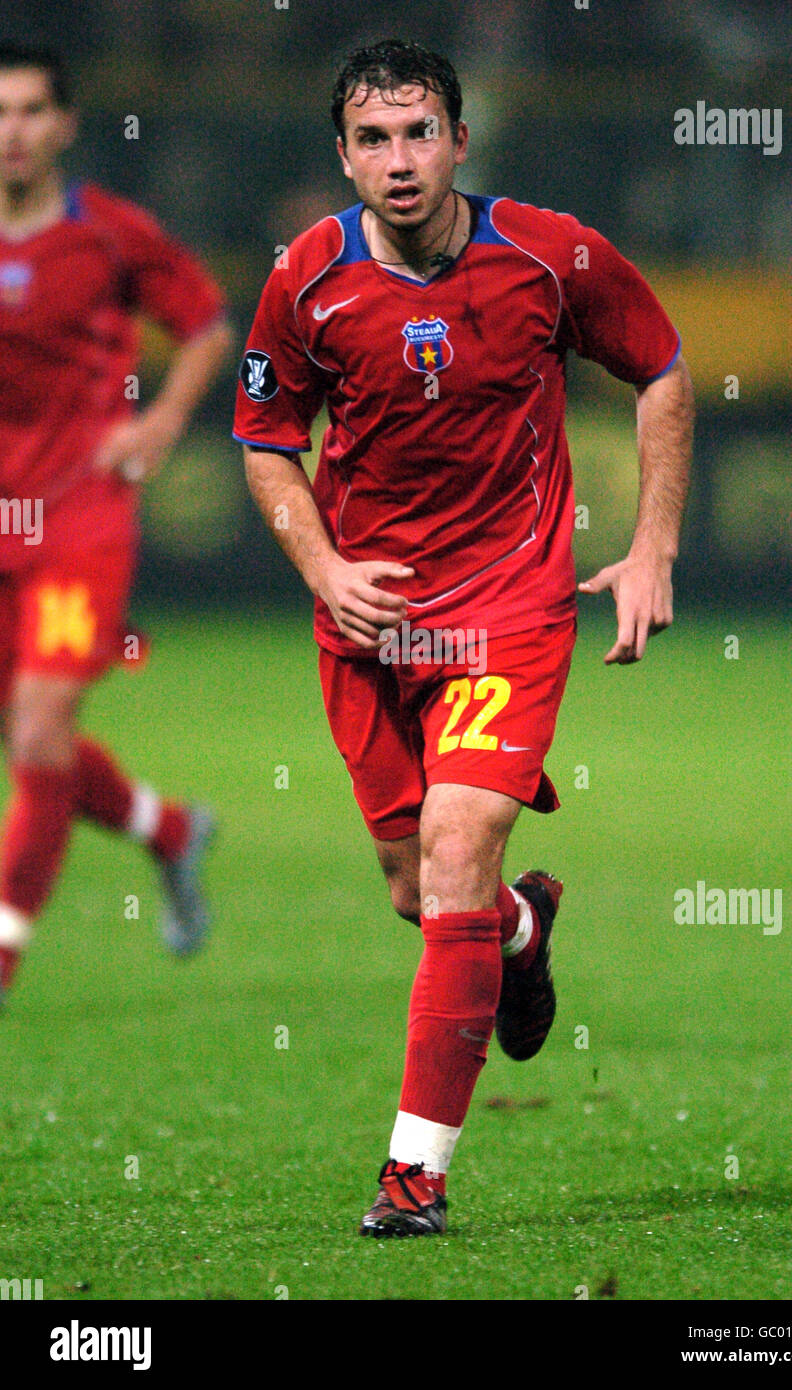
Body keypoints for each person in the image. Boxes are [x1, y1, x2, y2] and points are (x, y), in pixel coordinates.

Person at [235, 38, 693, 1237]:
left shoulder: (550, 255)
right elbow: (266, 437)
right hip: (368, 623)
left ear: (458, 140)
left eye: (418, 132)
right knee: (417, 892)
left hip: (506, 609)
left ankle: (413, 1176)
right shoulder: (304, 280)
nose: (398, 160)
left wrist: (650, 549)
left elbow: (659, 367)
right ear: (342, 155)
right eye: (373, 140)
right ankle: (522, 930)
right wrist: (324, 567)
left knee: (451, 851)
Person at [0, 44, 232, 1006]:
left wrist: (164, 419)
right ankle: (170, 832)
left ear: (65, 126)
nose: (11, 132)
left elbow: (209, 325)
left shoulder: (108, 234)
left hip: (80, 526)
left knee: (43, 727)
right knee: (31, 739)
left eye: (29, 112)